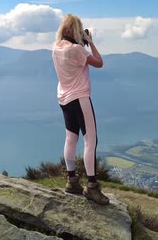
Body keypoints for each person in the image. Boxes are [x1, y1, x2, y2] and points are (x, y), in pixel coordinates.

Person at [52, 14, 109, 205]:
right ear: (75, 30)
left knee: (71, 138)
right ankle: (92, 186)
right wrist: (90, 42)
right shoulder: (77, 49)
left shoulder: (56, 48)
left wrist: (81, 42)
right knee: (91, 140)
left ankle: (72, 180)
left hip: (64, 98)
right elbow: (99, 62)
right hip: (80, 98)